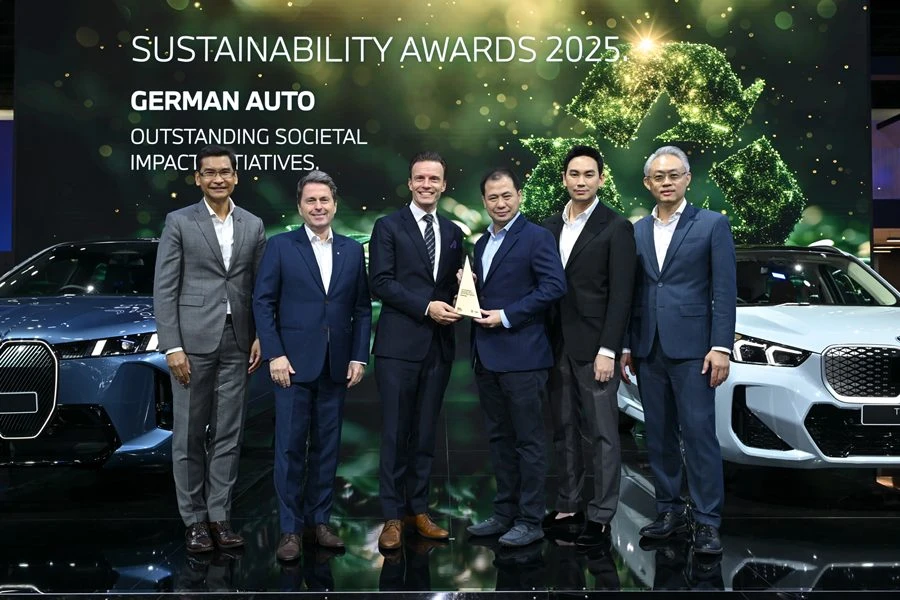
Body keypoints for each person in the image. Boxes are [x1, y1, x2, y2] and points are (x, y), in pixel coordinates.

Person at [620, 145, 737, 555]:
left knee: (700, 435)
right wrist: (626, 344)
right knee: (658, 435)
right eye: (659, 176)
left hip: (695, 350)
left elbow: (724, 291)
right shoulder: (636, 230)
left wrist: (721, 346)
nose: (666, 182)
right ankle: (668, 510)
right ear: (647, 183)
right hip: (648, 347)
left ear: (687, 179)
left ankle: (707, 520)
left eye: (674, 175)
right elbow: (631, 293)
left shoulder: (712, 224)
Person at [253, 170, 372, 561]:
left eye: (324, 200)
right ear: (300, 206)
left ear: (334, 204)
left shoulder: (351, 250)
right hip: (291, 365)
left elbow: (361, 308)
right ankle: (289, 530)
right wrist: (275, 354)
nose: (318, 207)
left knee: (327, 448)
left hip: (336, 365)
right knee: (289, 449)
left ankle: (319, 522)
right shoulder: (280, 246)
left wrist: (358, 355)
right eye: (311, 201)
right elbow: (263, 303)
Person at [153, 144, 267, 553]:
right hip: (192, 343)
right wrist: (172, 346)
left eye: (225, 172)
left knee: (229, 434)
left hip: (238, 340)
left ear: (236, 177)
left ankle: (219, 517)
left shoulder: (253, 224)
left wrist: (261, 335)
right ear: (198, 179)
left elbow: (260, 288)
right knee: (187, 435)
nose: (218, 178)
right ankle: (194, 522)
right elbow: (165, 289)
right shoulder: (180, 221)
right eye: (210, 173)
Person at [466, 168, 566, 547]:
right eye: (493, 197)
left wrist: (507, 315)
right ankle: (504, 513)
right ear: (484, 201)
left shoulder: (537, 236)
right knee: (499, 439)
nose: (500, 203)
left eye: (506, 195)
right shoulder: (481, 243)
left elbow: (554, 286)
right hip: (486, 356)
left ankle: (530, 519)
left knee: (529, 441)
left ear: (519, 195)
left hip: (524, 356)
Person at [369, 151, 464, 550]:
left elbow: (454, 286)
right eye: (420, 178)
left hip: (438, 348)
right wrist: (427, 307)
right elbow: (380, 282)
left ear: (443, 185)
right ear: (410, 183)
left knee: (425, 432)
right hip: (398, 346)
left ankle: (418, 510)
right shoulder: (387, 226)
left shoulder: (454, 231)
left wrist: (465, 289)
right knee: (395, 433)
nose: (427, 184)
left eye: (434, 179)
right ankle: (392, 516)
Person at [542, 145, 637, 546]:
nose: (580, 181)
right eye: (574, 174)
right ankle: (568, 503)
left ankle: (601, 512)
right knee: (562, 427)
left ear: (601, 178)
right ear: (564, 178)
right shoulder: (548, 226)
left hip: (596, 347)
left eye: (588, 174)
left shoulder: (616, 227)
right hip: (553, 344)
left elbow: (622, 295)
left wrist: (609, 350)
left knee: (602, 433)